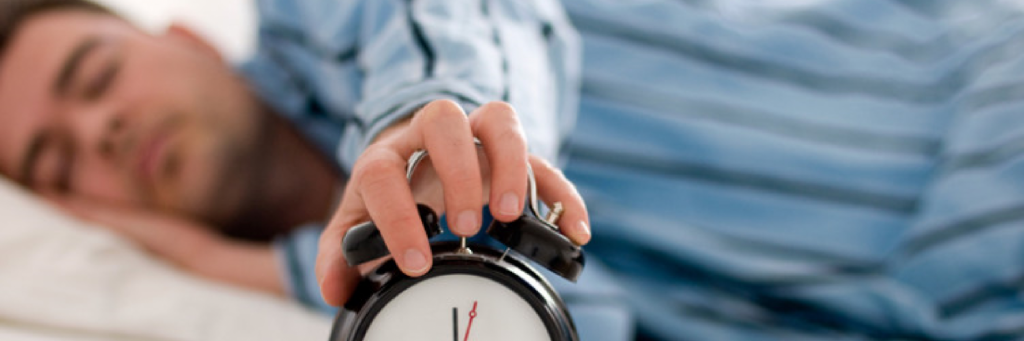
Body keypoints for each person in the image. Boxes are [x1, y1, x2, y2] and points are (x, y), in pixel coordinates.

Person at [3, 0, 1024, 340]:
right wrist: (237, 268)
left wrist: (431, 118)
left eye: (95, 77)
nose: (96, 133)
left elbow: (458, 21)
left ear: (182, 36)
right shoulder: (339, 298)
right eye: (54, 161)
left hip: (979, 123)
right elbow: (598, 313)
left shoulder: (325, 17)